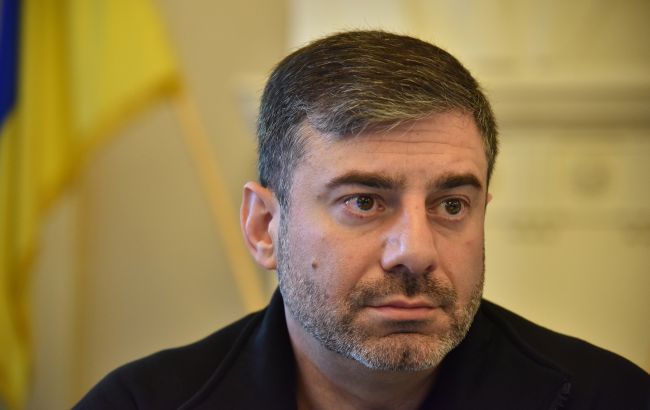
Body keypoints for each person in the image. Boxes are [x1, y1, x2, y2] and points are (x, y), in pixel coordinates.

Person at [75, 30, 650, 409]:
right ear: (264, 227)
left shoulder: (609, 400)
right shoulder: (140, 405)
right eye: (364, 202)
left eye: (451, 205)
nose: (416, 251)